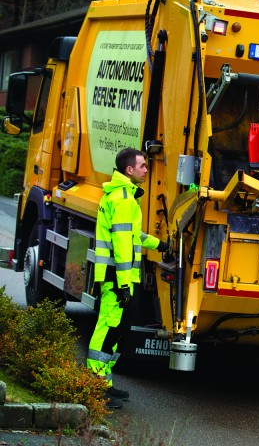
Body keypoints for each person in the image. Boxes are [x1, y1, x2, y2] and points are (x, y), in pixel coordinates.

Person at [87, 148, 168, 409]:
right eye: (143, 166)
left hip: (115, 277)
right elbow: (122, 249)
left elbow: (134, 236)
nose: (146, 170)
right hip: (116, 278)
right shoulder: (124, 200)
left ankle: (104, 384)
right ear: (128, 170)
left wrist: (160, 245)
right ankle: (95, 387)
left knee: (115, 331)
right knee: (108, 330)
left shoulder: (122, 197)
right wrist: (123, 286)